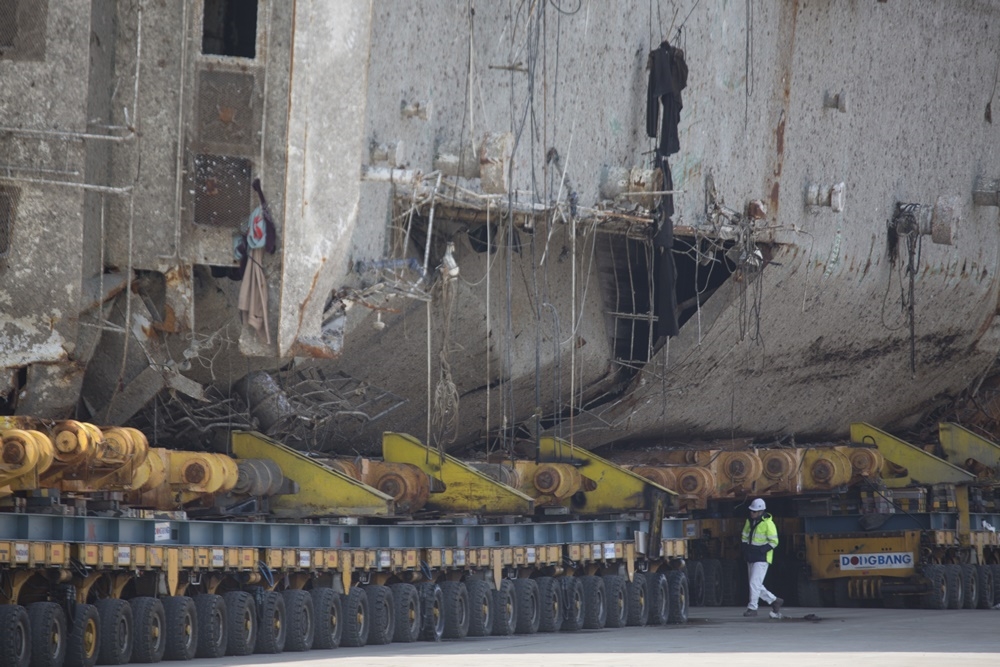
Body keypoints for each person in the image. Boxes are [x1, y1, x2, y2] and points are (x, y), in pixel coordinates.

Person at [741, 498, 783, 617]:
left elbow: (774, 542)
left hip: (762, 557)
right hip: (751, 556)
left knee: (754, 583)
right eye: (751, 511)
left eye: (754, 511)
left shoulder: (768, 523)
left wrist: (761, 550)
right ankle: (774, 601)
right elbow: (744, 536)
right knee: (755, 584)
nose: (751, 513)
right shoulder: (749, 521)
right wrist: (745, 548)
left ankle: (752, 608)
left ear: (761, 512)